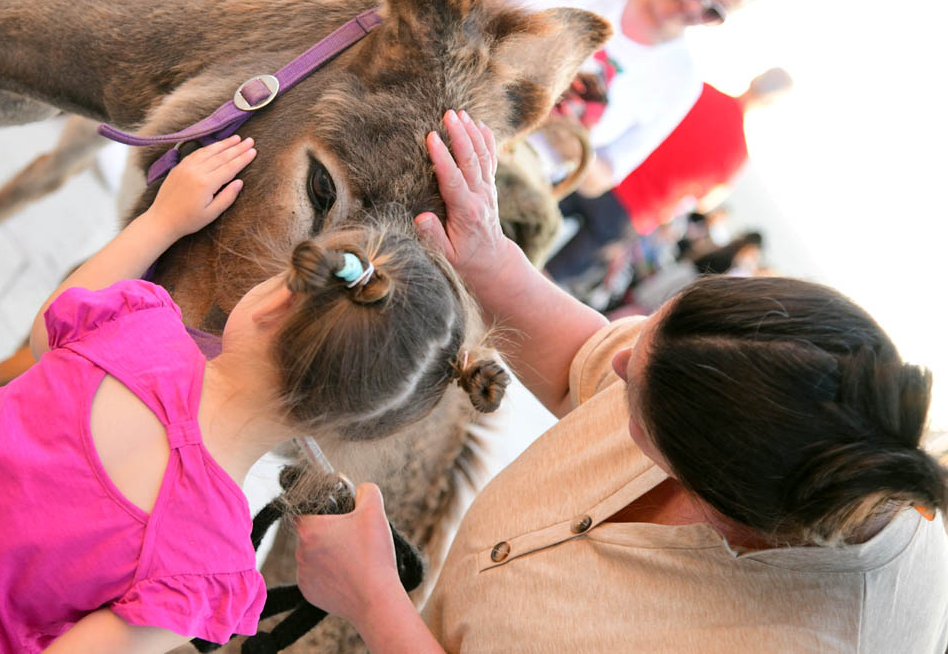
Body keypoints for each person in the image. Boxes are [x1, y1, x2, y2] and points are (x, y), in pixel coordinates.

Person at [0, 134, 508, 653]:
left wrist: (164, 218)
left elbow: (55, 318)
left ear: (273, 301)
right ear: (353, 426)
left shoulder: (133, 327)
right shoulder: (206, 568)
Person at [294, 111, 948, 651]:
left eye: (633, 400)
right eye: (640, 338)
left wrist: (374, 599)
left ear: (719, 510)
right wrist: (490, 254)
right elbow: (587, 353)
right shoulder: (770, 401)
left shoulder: (809, 637)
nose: (615, 365)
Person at [488, 0, 782, 196]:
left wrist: (573, 143)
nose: (694, 8)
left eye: (713, 12)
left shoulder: (680, 81)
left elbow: (602, 178)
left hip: (506, 181)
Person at [547, 67, 791, 282]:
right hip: (633, 212)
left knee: (521, 215)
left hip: (601, 172)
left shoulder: (697, 91)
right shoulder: (739, 156)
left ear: (755, 79)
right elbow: (704, 204)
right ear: (770, 102)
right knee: (552, 275)